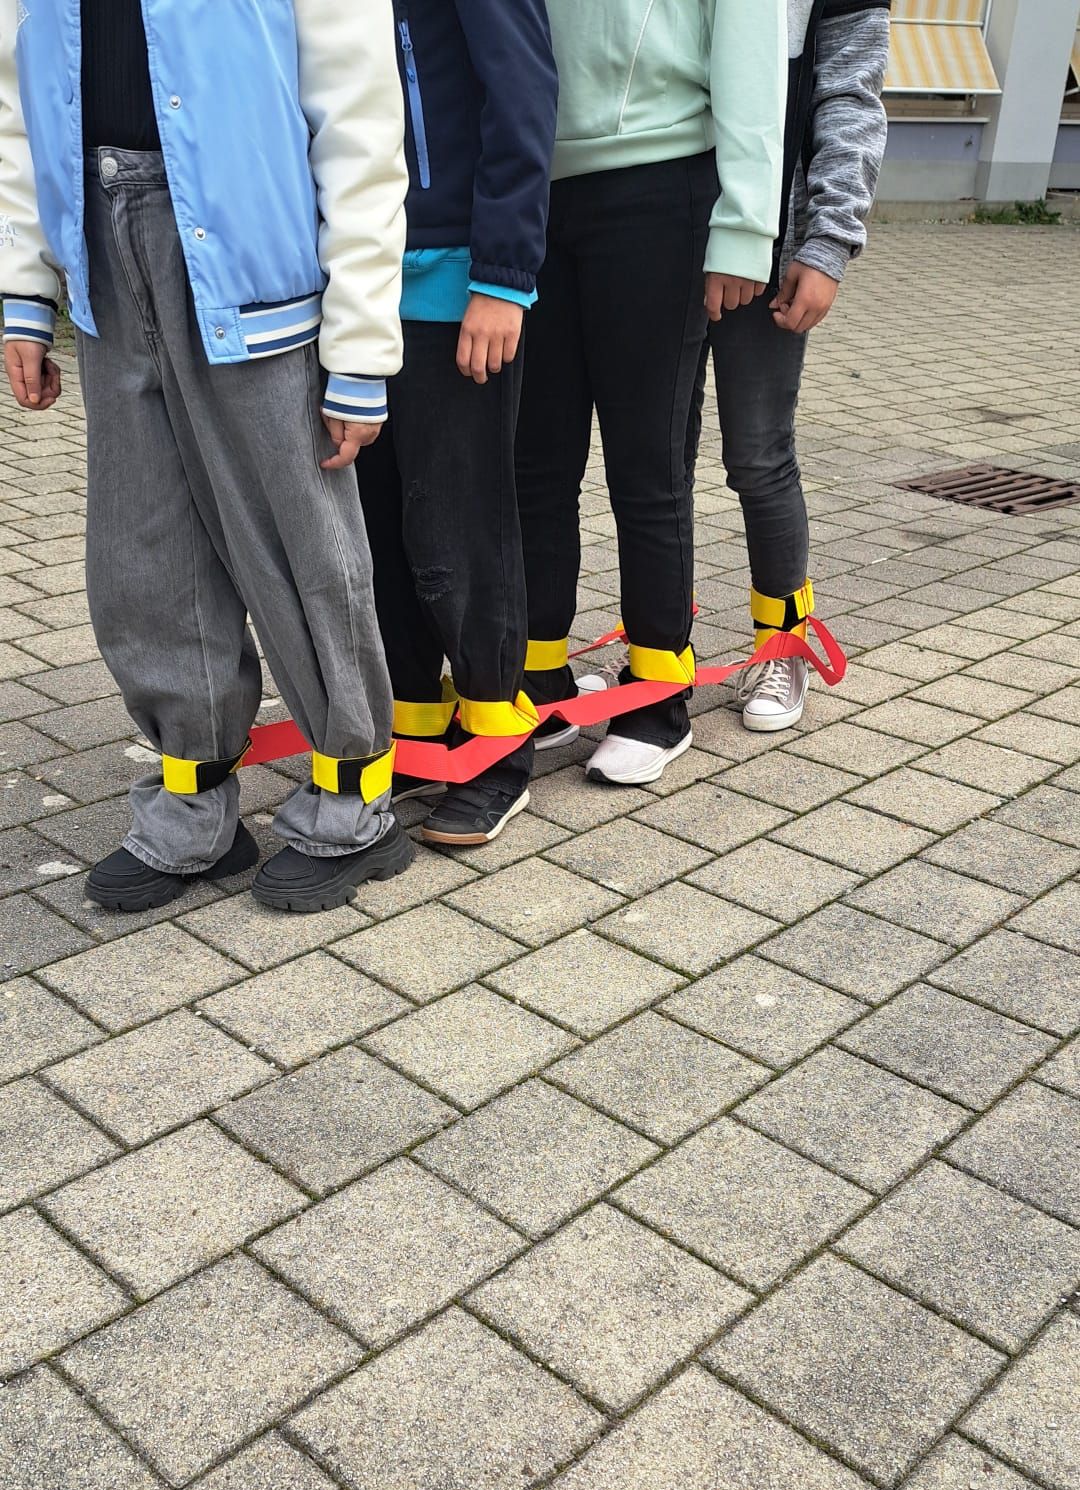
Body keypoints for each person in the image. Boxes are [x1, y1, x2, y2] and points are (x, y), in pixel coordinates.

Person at [1, 0, 412, 913]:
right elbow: (17, 102)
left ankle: (354, 802)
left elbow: (358, 112)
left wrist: (360, 344)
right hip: (102, 254)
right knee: (143, 553)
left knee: (298, 548)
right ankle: (193, 805)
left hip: (252, 260)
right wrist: (24, 287)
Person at [514, 0, 788, 787]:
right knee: (536, 466)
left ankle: (659, 696)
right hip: (534, 185)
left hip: (660, 184)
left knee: (647, 464)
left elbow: (751, 45)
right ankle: (540, 676)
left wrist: (746, 224)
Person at [355, 0, 558, 848]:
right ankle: (414, 728)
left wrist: (502, 276)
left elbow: (523, 91)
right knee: (381, 533)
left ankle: (497, 748)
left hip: (455, 282)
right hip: (355, 287)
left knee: (459, 531)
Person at [712, 0, 891, 733]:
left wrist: (827, 242)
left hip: (770, 238)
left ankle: (782, 645)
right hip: (658, 227)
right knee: (652, 464)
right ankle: (656, 649)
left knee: (758, 455)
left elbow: (850, 90)